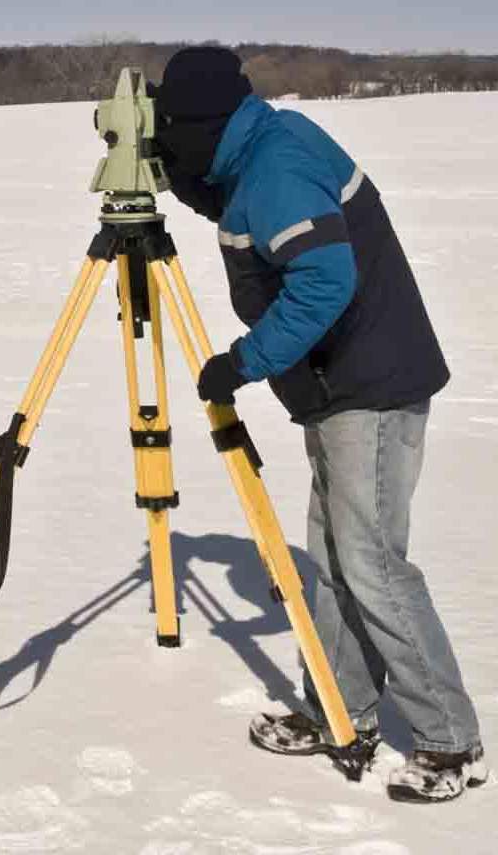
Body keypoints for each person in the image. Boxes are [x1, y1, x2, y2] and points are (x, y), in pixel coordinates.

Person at [150, 45, 486, 804]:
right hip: (341, 387)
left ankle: (450, 740)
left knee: (371, 565)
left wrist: (246, 360)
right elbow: (239, 210)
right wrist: (174, 174)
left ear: (201, 123)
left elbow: (323, 281)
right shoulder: (259, 146)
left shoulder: (275, 169)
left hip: (369, 387)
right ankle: (343, 710)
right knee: (332, 562)